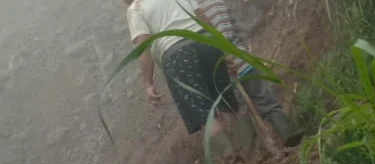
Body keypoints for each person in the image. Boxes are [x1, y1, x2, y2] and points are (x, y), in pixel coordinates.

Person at [195, 0, 303, 147]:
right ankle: (287, 135)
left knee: (241, 114)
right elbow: (239, 30)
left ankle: (257, 156)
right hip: (243, 61)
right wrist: (242, 51)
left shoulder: (193, 17)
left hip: (224, 75)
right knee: (265, 99)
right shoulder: (219, 3)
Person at [124, 0, 236, 139]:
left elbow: (143, 47)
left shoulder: (136, 9)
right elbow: (202, 17)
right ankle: (247, 150)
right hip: (207, 42)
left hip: (179, 57)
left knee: (205, 115)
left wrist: (148, 84)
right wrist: (224, 49)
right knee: (225, 103)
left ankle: (232, 158)